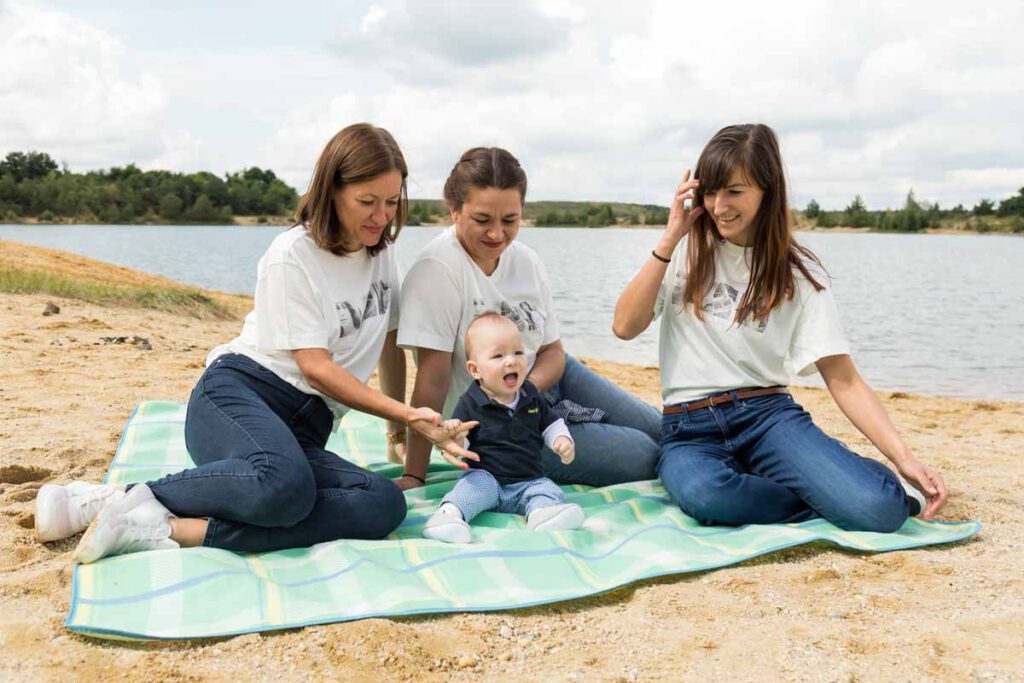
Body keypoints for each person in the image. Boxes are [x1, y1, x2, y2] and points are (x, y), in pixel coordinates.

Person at [35, 123, 474, 561]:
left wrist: (396, 429)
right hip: (239, 395)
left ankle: (166, 529)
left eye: (392, 202)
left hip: (306, 429)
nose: (381, 216)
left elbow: (389, 341)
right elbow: (316, 369)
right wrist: (410, 415)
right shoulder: (292, 255)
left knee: (381, 502)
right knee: (283, 487)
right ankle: (105, 498)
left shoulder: (381, 252)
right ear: (332, 192)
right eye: (367, 202)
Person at [613, 123, 948, 532]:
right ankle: (822, 492)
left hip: (767, 418)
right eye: (711, 192)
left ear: (767, 191)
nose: (719, 206)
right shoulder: (682, 250)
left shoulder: (798, 277)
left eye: (734, 191)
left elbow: (843, 379)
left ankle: (846, 484)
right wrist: (668, 241)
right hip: (689, 428)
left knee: (879, 510)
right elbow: (625, 327)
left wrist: (904, 459)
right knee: (708, 496)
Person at [396, 147, 660, 491]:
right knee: (644, 454)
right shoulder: (437, 270)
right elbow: (432, 378)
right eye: (482, 220)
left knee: (662, 428)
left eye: (510, 221)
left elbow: (552, 351)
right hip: (498, 423)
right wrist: (415, 474)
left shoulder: (527, 261)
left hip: (547, 381)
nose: (496, 234)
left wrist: (529, 393)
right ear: (454, 210)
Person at [421, 313, 583, 544]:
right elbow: (461, 445)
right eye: (498, 356)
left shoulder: (530, 394)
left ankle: (541, 516)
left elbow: (552, 423)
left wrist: (562, 441)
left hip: (528, 479)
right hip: (487, 477)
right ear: (475, 370)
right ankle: (448, 517)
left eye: (518, 352)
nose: (511, 361)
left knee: (546, 490)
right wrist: (457, 438)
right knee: (469, 490)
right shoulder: (471, 401)